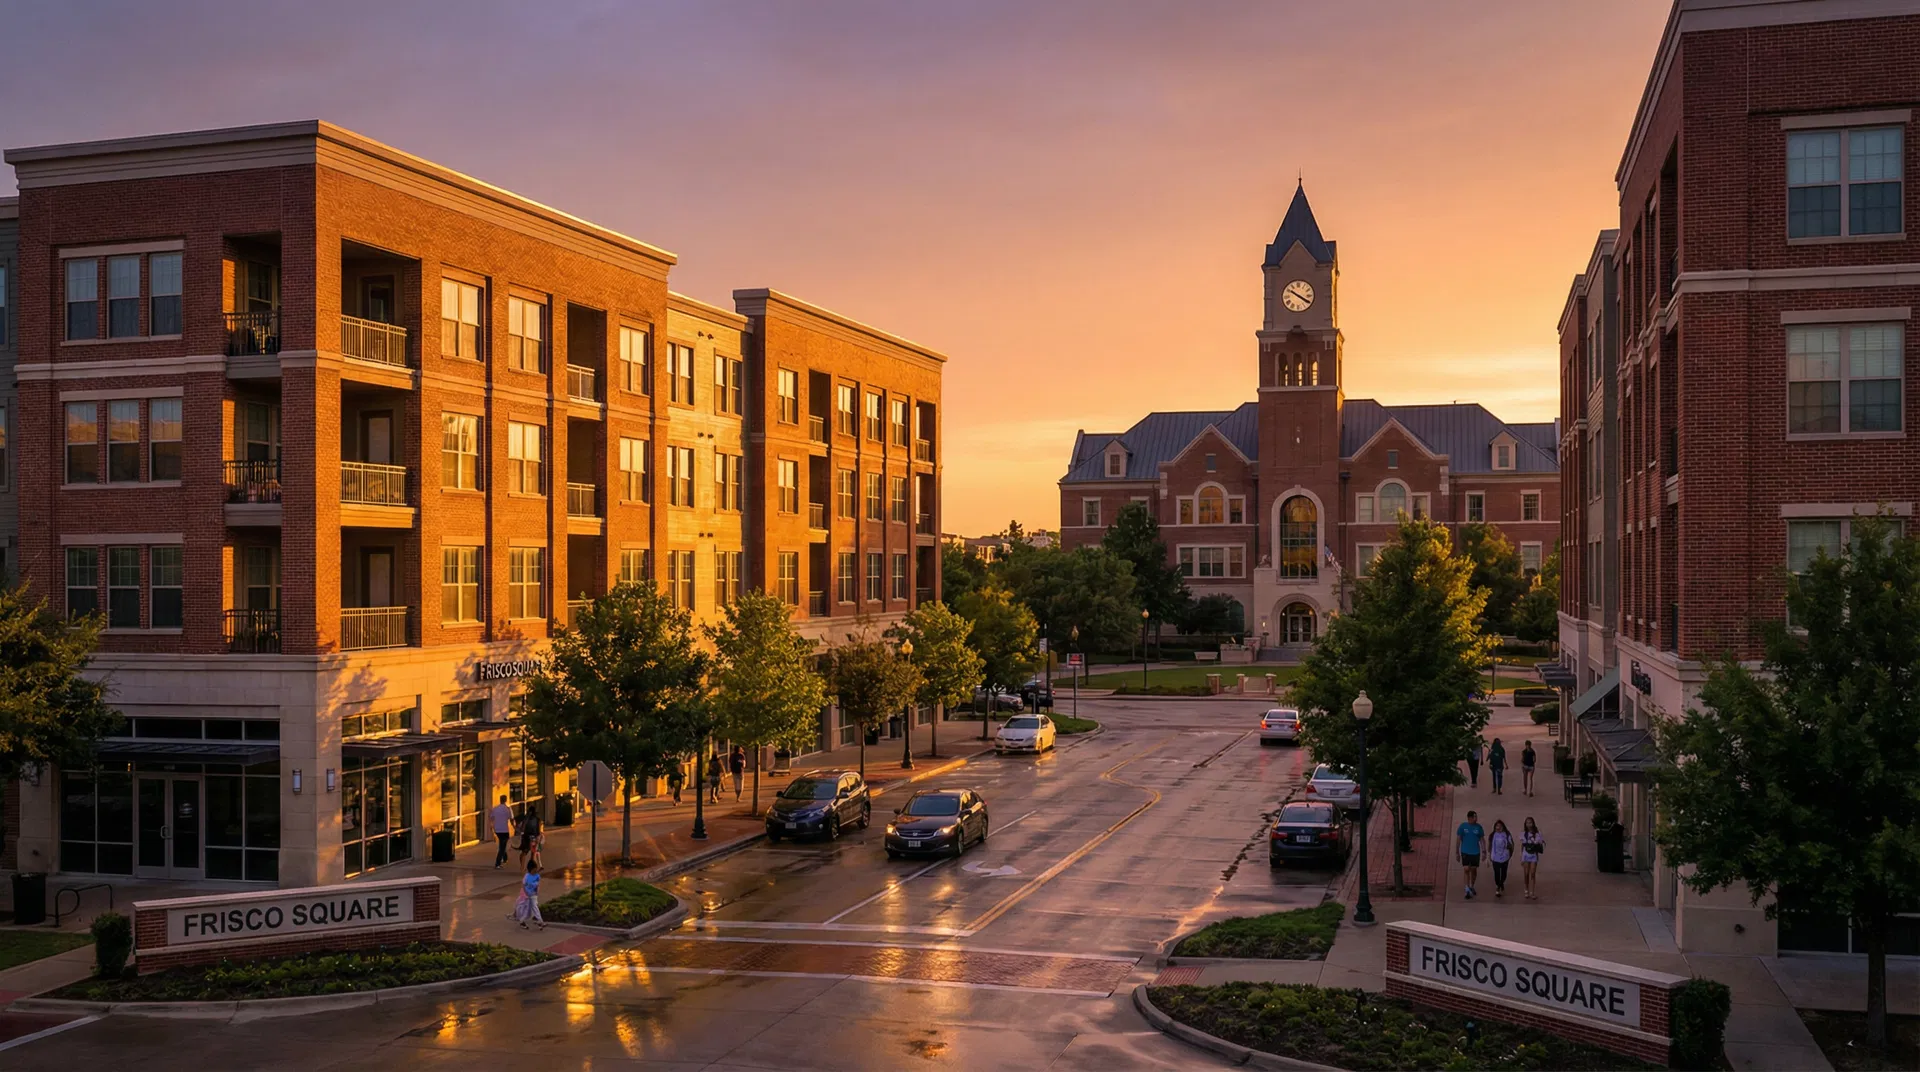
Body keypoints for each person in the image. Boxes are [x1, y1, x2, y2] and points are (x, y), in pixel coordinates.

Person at [1456, 810, 1486, 899]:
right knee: (1466, 869)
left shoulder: (1479, 828)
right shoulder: (1462, 827)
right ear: (1469, 818)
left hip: (1475, 852)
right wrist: (1457, 852)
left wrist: (1484, 851)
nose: (1476, 819)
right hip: (1465, 851)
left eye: (1476, 817)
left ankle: (1472, 885)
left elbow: (1481, 839)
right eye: (1474, 817)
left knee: (1473, 870)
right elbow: (1458, 839)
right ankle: (1466, 888)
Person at [513, 860, 547, 930]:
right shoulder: (527, 877)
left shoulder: (536, 875)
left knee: (535, 907)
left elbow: (537, 884)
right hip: (527, 896)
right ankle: (522, 921)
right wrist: (526, 894)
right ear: (530, 870)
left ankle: (540, 921)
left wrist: (536, 891)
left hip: (533, 895)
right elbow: (523, 886)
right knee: (527, 910)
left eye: (535, 870)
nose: (535, 872)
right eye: (533, 870)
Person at [1487, 819, 1514, 898]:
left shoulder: (1507, 834)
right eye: (1497, 826)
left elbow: (1511, 844)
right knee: (1497, 873)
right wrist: (1488, 857)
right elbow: (1490, 846)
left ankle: (1501, 883)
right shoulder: (1492, 835)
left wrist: (1509, 848)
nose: (1498, 828)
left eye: (1500, 826)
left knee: (1504, 873)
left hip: (1505, 857)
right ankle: (1498, 887)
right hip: (1495, 857)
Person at [1520, 818, 1546, 900]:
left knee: (1532, 873)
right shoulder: (1524, 834)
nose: (1529, 824)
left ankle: (1532, 892)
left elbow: (1539, 844)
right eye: (1527, 823)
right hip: (1526, 855)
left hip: (1533, 855)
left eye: (1530, 823)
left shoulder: (1537, 834)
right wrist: (1521, 857)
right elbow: (1522, 846)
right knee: (1526, 873)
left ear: (1533, 823)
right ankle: (1526, 889)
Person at [489, 795, 513, 868]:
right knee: (502, 847)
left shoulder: (495, 808)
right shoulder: (508, 809)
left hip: (497, 830)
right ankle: (497, 863)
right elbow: (511, 818)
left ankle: (505, 858)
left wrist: (492, 828)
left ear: (500, 800)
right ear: (506, 800)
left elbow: (491, 817)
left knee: (502, 845)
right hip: (504, 830)